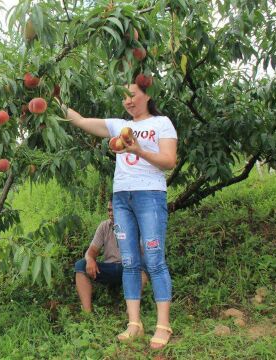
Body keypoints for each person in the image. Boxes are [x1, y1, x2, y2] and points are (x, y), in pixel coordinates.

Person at [62, 81, 177, 349]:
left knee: (155, 259)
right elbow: (79, 120)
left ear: (147, 95)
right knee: (129, 261)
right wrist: (51, 100)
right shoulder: (117, 125)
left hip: (149, 195)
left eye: (133, 95)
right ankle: (134, 324)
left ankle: (163, 325)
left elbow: (169, 161)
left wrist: (137, 150)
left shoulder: (162, 123)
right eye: (124, 97)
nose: (127, 101)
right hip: (121, 198)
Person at [74, 199, 147, 313]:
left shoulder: (135, 225)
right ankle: (87, 313)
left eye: (114, 210)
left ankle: (132, 311)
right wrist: (90, 259)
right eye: (109, 210)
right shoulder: (104, 226)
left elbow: (145, 254)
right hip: (109, 268)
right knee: (81, 265)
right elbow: (91, 250)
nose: (111, 213)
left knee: (143, 265)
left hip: (130, 268)